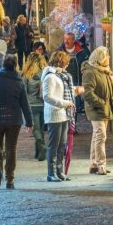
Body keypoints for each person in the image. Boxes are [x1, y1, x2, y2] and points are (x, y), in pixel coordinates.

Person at [0, 53, 32, 189]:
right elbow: (25, 104)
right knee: (11, 148)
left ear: (3, 64)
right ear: (15, 65)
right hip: (14, 120)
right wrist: (29, 122)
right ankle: (10, 179)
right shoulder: (19, 82)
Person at [82, 46, 113, 175]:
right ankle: (101, 164)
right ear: (100, 58)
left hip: (104, 108)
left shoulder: (105, 71)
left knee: (97, 136)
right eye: (107, 56)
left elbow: (110, 90)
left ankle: (94, 164)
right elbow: (87, 93)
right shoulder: (90, 72)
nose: (109, 58)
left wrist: (112, 82)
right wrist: (101, 103)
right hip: (96, 109)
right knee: (101, 135)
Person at [42, 51, 76, 182]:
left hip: (64, 114)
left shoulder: (60, 75)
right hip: (54, 114)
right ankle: (51, 173)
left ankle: (59, 171)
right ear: (61, 62)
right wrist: (65, 103)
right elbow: (47, 96)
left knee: (62, 144)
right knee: (54, 145)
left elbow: (62, 92)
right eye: (66, 62)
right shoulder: (50, 76)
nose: (67, 65)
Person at [21, 50, 47, 161]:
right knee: (41, 128)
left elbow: (23, 93)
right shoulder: (45, 73)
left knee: (36, 129)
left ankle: (42, 148)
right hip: (44, 104)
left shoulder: (26, 75)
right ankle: (39, 153)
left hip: (32, 105)